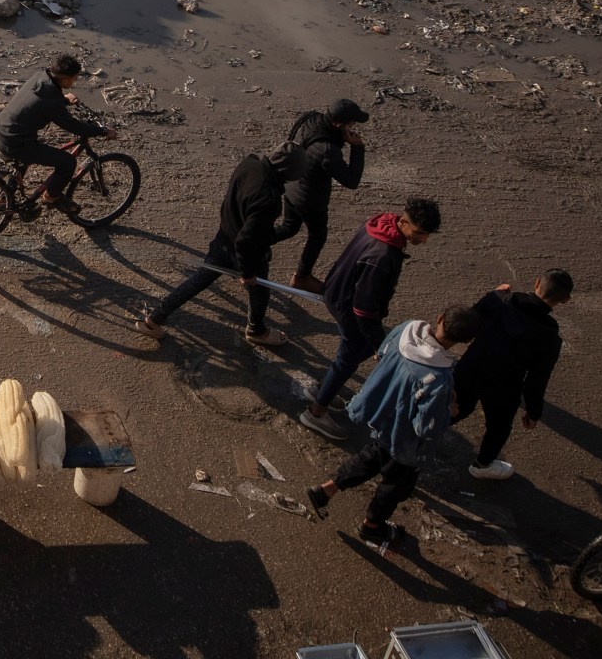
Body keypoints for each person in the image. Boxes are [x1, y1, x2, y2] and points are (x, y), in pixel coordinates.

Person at [306, 303, 482, 554]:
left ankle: (327, 489)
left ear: (440, 317)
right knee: (395, 485)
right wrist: (449, 411)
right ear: (466, 341)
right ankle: (372, 525)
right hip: (405, 439)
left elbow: (381, 353)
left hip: (383, 415)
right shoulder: (438, 379)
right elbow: (426, 428)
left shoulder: (407, 329)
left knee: (372, 456)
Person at [300, 197, 442, 436]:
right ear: (404, 222)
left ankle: (324, 389)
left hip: (337, 292)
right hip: (350, 310)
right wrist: (380, 345)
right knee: (349, 358)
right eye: (420, 233)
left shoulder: (381, 224)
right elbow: (364, 308)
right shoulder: (383, 256)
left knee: (351, 355)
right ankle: (316, 411)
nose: (423, 239)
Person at [138, 149, 288, 347]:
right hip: (243, 249)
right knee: (259, 290)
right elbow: (245, 242)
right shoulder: (269, 199)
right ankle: (256, 330)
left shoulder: (249, 163)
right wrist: (247, 272)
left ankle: (155, 318)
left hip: (224, 235)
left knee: (201, 278)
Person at [451, 270, 572, 480]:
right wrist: (533, 412)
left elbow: (468, 322)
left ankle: (415, 433)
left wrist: (492, 296)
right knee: (498, 427)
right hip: (504, 388)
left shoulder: (499, 300)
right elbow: (537, 380)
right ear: (565, 300)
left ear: (536, 283)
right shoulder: (550, 339)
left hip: (471, 370)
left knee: (455, 409)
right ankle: (483, 464)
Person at [0, 54, 112, 216]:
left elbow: (42, 99)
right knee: (67, 162)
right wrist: (102, 131)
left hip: (0, 129)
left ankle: (5, 197)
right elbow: (72, 126)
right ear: (64, 80)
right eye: (74, 79)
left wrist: (65, 99)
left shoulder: (40, 76)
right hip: (14, 143)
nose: (74, 82)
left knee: (25, 159)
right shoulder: (52, 102)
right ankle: (51, 196)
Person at [268, 99, 368, 293]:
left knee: (289, 227)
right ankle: (302, 277)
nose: (354, 125)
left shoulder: (310, 117)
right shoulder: (327, 150)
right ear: (340, 124)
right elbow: (351, 181)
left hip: (291, 185)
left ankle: (251, 244)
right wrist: (357, 147)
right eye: (352, 122)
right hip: (309, 199)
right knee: (318, 236)